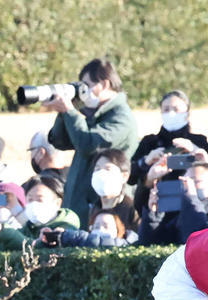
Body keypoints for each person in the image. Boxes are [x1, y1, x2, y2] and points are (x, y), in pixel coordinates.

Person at [42, 58, 139, 219]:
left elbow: (88, 144)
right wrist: (64, 112)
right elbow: (60, 141)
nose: (83, 91)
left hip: (103, 207)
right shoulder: (94, 113)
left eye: (87, 85)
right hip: (77, 200)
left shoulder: (122, 117)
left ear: (105, 84)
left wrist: (70, 111)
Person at [137, 160, 208, 245]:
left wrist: (191, 198)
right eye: (185, 181)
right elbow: (151, 243)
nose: (187, 185)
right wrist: (153, 214)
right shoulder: (188, 205)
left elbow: (201, 243)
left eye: (194, 181)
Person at [131, 90, 208, 192]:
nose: (171, 113)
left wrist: (195, 151)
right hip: (155, 200)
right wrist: (146, 161)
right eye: (166, 109)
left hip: (191, 198)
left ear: (187, 113)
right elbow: (130, 178)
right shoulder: (149, 142)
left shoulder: (199, 141)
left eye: (176, 109)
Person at [87, 148, 139, 234]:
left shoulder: (132, 208)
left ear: (124, 176)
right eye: (97, 169)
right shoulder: (94, 208)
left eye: (108, 169)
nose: (101, 173)